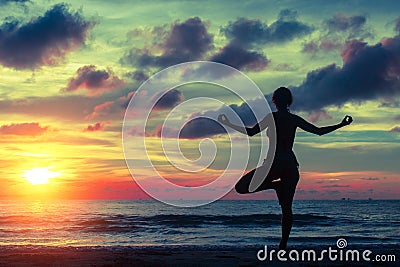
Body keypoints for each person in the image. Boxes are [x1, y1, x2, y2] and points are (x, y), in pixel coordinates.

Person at [217, 87, 353, 250]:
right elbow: (319, 132)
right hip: (290, 165)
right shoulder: (293, 119)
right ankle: (283, 245)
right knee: (287, 208)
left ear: (274, 101)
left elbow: (251, 132)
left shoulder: (271, 118)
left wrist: (229, 123)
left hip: (273, 165)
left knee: (241, 187)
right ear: (289, 101)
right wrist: (341, 124)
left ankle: (276, 186)